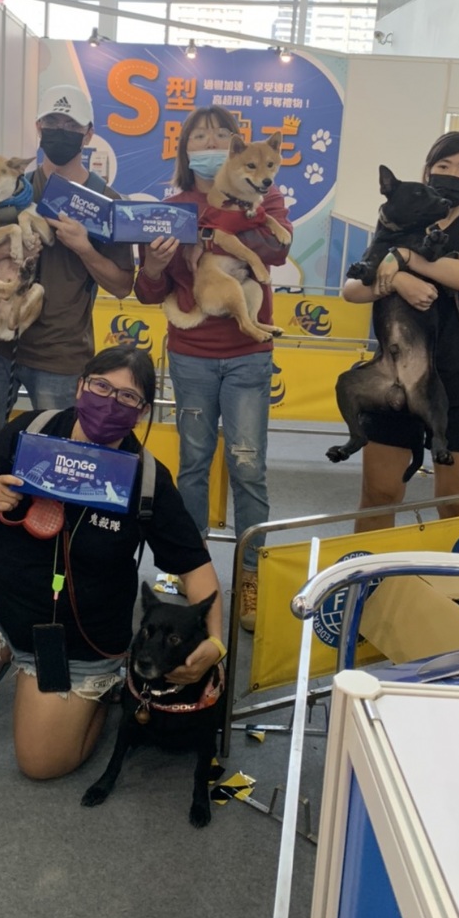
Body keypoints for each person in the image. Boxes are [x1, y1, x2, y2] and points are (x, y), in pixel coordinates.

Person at [0, 344, 224, 780]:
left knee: (42, 764)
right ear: (80, 385)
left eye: (127, 396)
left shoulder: (146, 478)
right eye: (101, 386)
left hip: (80, 631)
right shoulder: (36, 429)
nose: (110, 402)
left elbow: (195, 566)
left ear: (142, 411)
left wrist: (215, 644)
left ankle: (100, 692)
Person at [133, 106, 293, 633]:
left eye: (221, 134)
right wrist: (155, 265)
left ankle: (252, 576)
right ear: (185, 149)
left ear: (236, 146)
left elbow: (275, 251)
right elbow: (149, 291)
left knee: (249, 466)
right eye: (199, 136)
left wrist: (226, 221)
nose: (210, 143)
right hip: (191, 353)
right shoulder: (171, 209)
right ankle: (191, 570)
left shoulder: (266, 199)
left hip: (249, 352)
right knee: (194, 465)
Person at [0, 84, 135, 460]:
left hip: (60, 353)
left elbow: (121, 285)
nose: (59, 131)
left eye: (70, 125)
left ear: (88, 133)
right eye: (52, 122)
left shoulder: (107, 203)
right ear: (38, 127)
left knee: (57, 459)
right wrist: (12, 242)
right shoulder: (12, 187)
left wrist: (83, 247)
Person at [342, 132, 459, 532]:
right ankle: (368, 573)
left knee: (458, 508)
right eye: (444, 166)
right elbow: (352, 289)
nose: (453, 175)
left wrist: (405, 259)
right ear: (427, 171)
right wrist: (397, 281)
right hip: (393, 376)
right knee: (378, 496)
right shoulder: (401, 219)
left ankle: (449, 576)